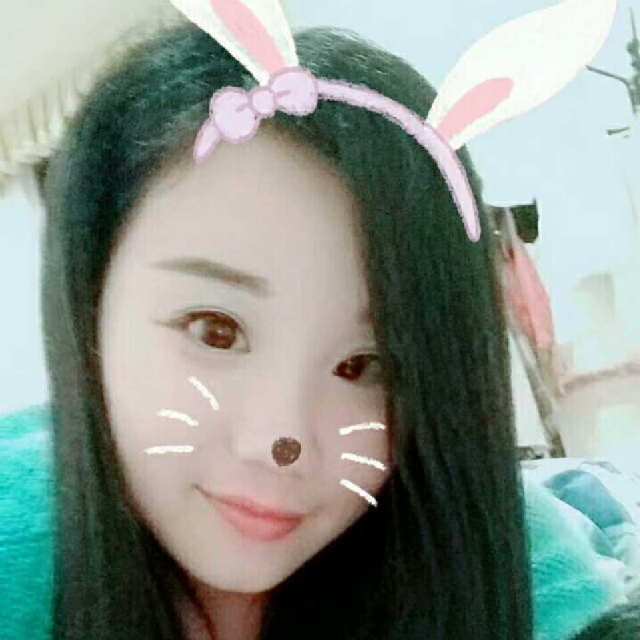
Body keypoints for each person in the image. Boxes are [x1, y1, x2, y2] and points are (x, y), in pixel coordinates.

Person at [1, 4, 639, 640]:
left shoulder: (512, 563)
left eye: (366, 365)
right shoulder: (18, 542)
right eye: (215, 330)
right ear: (89, 306)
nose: (281, 443)